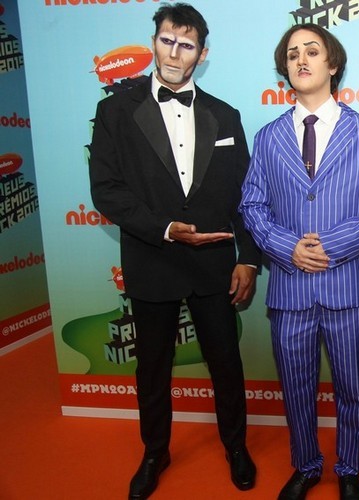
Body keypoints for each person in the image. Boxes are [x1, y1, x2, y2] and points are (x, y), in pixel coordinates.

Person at [88, 4, 259, 498]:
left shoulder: (225, 115)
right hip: (152, 259)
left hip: (214, 264)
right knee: (152, 369)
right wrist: (164, 229)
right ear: (154, 43)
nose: (174, 53)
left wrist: (248, 258)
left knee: (226, 363)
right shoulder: (115, 111)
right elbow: (106, 190)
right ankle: (154, 452)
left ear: (201, 55)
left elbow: (245, 196)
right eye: (167, 40)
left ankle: (236, 446)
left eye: (186, 45)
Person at [239, 23, 359, 500]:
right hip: (289, 288)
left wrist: (334, 243)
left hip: (350, 287)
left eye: (311, 51)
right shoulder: (267, 138)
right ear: (284, 69)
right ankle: (305, 465)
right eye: (292, 54)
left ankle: (349, 468)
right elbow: (251, 205)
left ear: (333, 63)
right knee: (296, 388)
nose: (301, 60)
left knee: (352, 387)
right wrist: (287, 247)